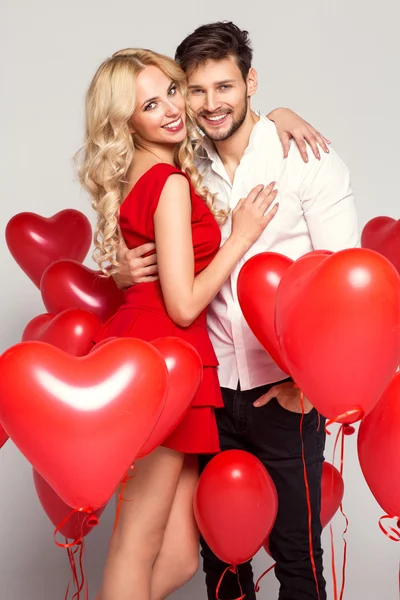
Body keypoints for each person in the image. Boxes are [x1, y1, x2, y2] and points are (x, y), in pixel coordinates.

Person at [114, 22, 359, 600]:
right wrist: (121, 269)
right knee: (221, 558)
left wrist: (310, 384)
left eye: (224, 87)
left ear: (250, 81)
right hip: (210, 388)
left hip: (284, 392)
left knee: (297, 556)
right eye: (194, 90)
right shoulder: (184, 164)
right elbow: (144, 225)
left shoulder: (307, 159)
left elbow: (344, 281)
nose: (209, 104)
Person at [76, 47, 285, 600]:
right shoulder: (167, 182)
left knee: (174, 559)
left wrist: (281, 117)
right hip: (163, 358)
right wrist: (240, 236)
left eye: (172, 90)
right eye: (150, 103)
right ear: (127, 121)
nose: (172, 108)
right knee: (135, 545)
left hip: (173, 360)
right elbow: (185, 305)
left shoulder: (150, 173)